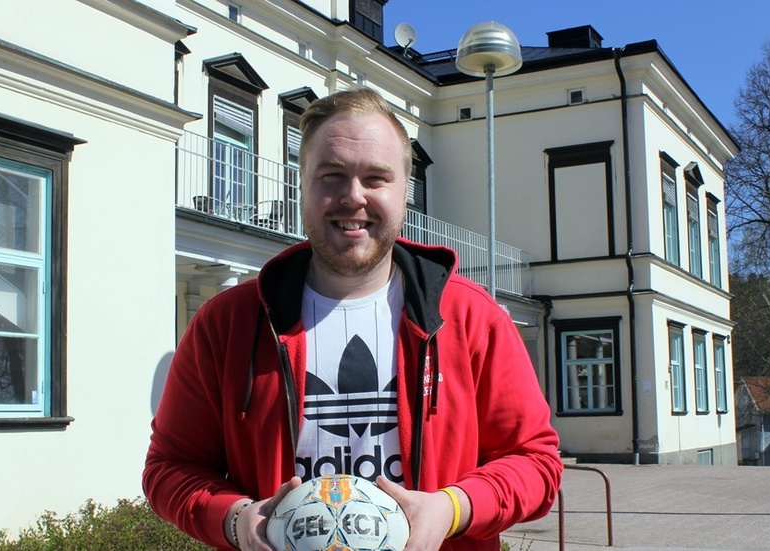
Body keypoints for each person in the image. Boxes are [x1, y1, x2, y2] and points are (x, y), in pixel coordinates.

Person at [143, 87, 562, 551]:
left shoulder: (469, 317)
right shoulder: (226, 323)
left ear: (406, 192)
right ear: (301, 184)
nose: (353, 197)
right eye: (332, 175)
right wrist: (236, 519)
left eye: (376, 178)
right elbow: (169, 468)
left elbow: (535, 463)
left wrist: (452, 508)